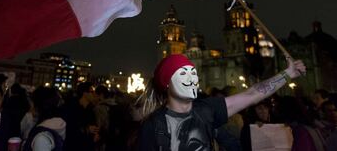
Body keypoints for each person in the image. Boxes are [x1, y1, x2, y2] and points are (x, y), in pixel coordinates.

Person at [136, 54, 306, 151]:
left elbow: (252, 94)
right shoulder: (153, 125)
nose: (192, 79)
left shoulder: (206, 110)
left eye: (193, 73)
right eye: (182, 74)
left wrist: (287, 74)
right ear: (167, 83)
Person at [23, 86, 66, 151]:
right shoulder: (56, 125)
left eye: (32, 102)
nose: (30, 105)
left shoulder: (42, 138)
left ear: (38, 106)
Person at [61, 81, 99, 151]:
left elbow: (94, 126)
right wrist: (87, 129)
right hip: (75, 146)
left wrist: (96, 135)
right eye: (92, 92)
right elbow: (69, 129)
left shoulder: (91, 109)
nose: (94, 94)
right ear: (84, 93)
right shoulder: (72, 108)